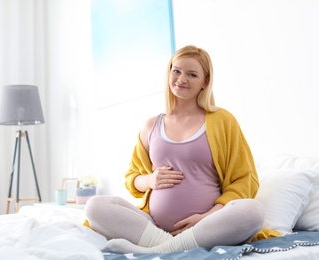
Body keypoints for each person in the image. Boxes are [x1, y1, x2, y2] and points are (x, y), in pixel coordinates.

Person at [85, 45, 279, 254]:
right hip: (153, 226)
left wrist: (207, 217)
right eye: (176, 70)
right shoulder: (151, 125)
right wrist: (150, 180)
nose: (181, 79)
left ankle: (158, 249)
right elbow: (133, 177)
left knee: (253, 211)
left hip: (207, 226)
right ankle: (166, 244)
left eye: (192, 74)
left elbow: (245, 179)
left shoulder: (222, 121)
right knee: (94, 206)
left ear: (205, 82)